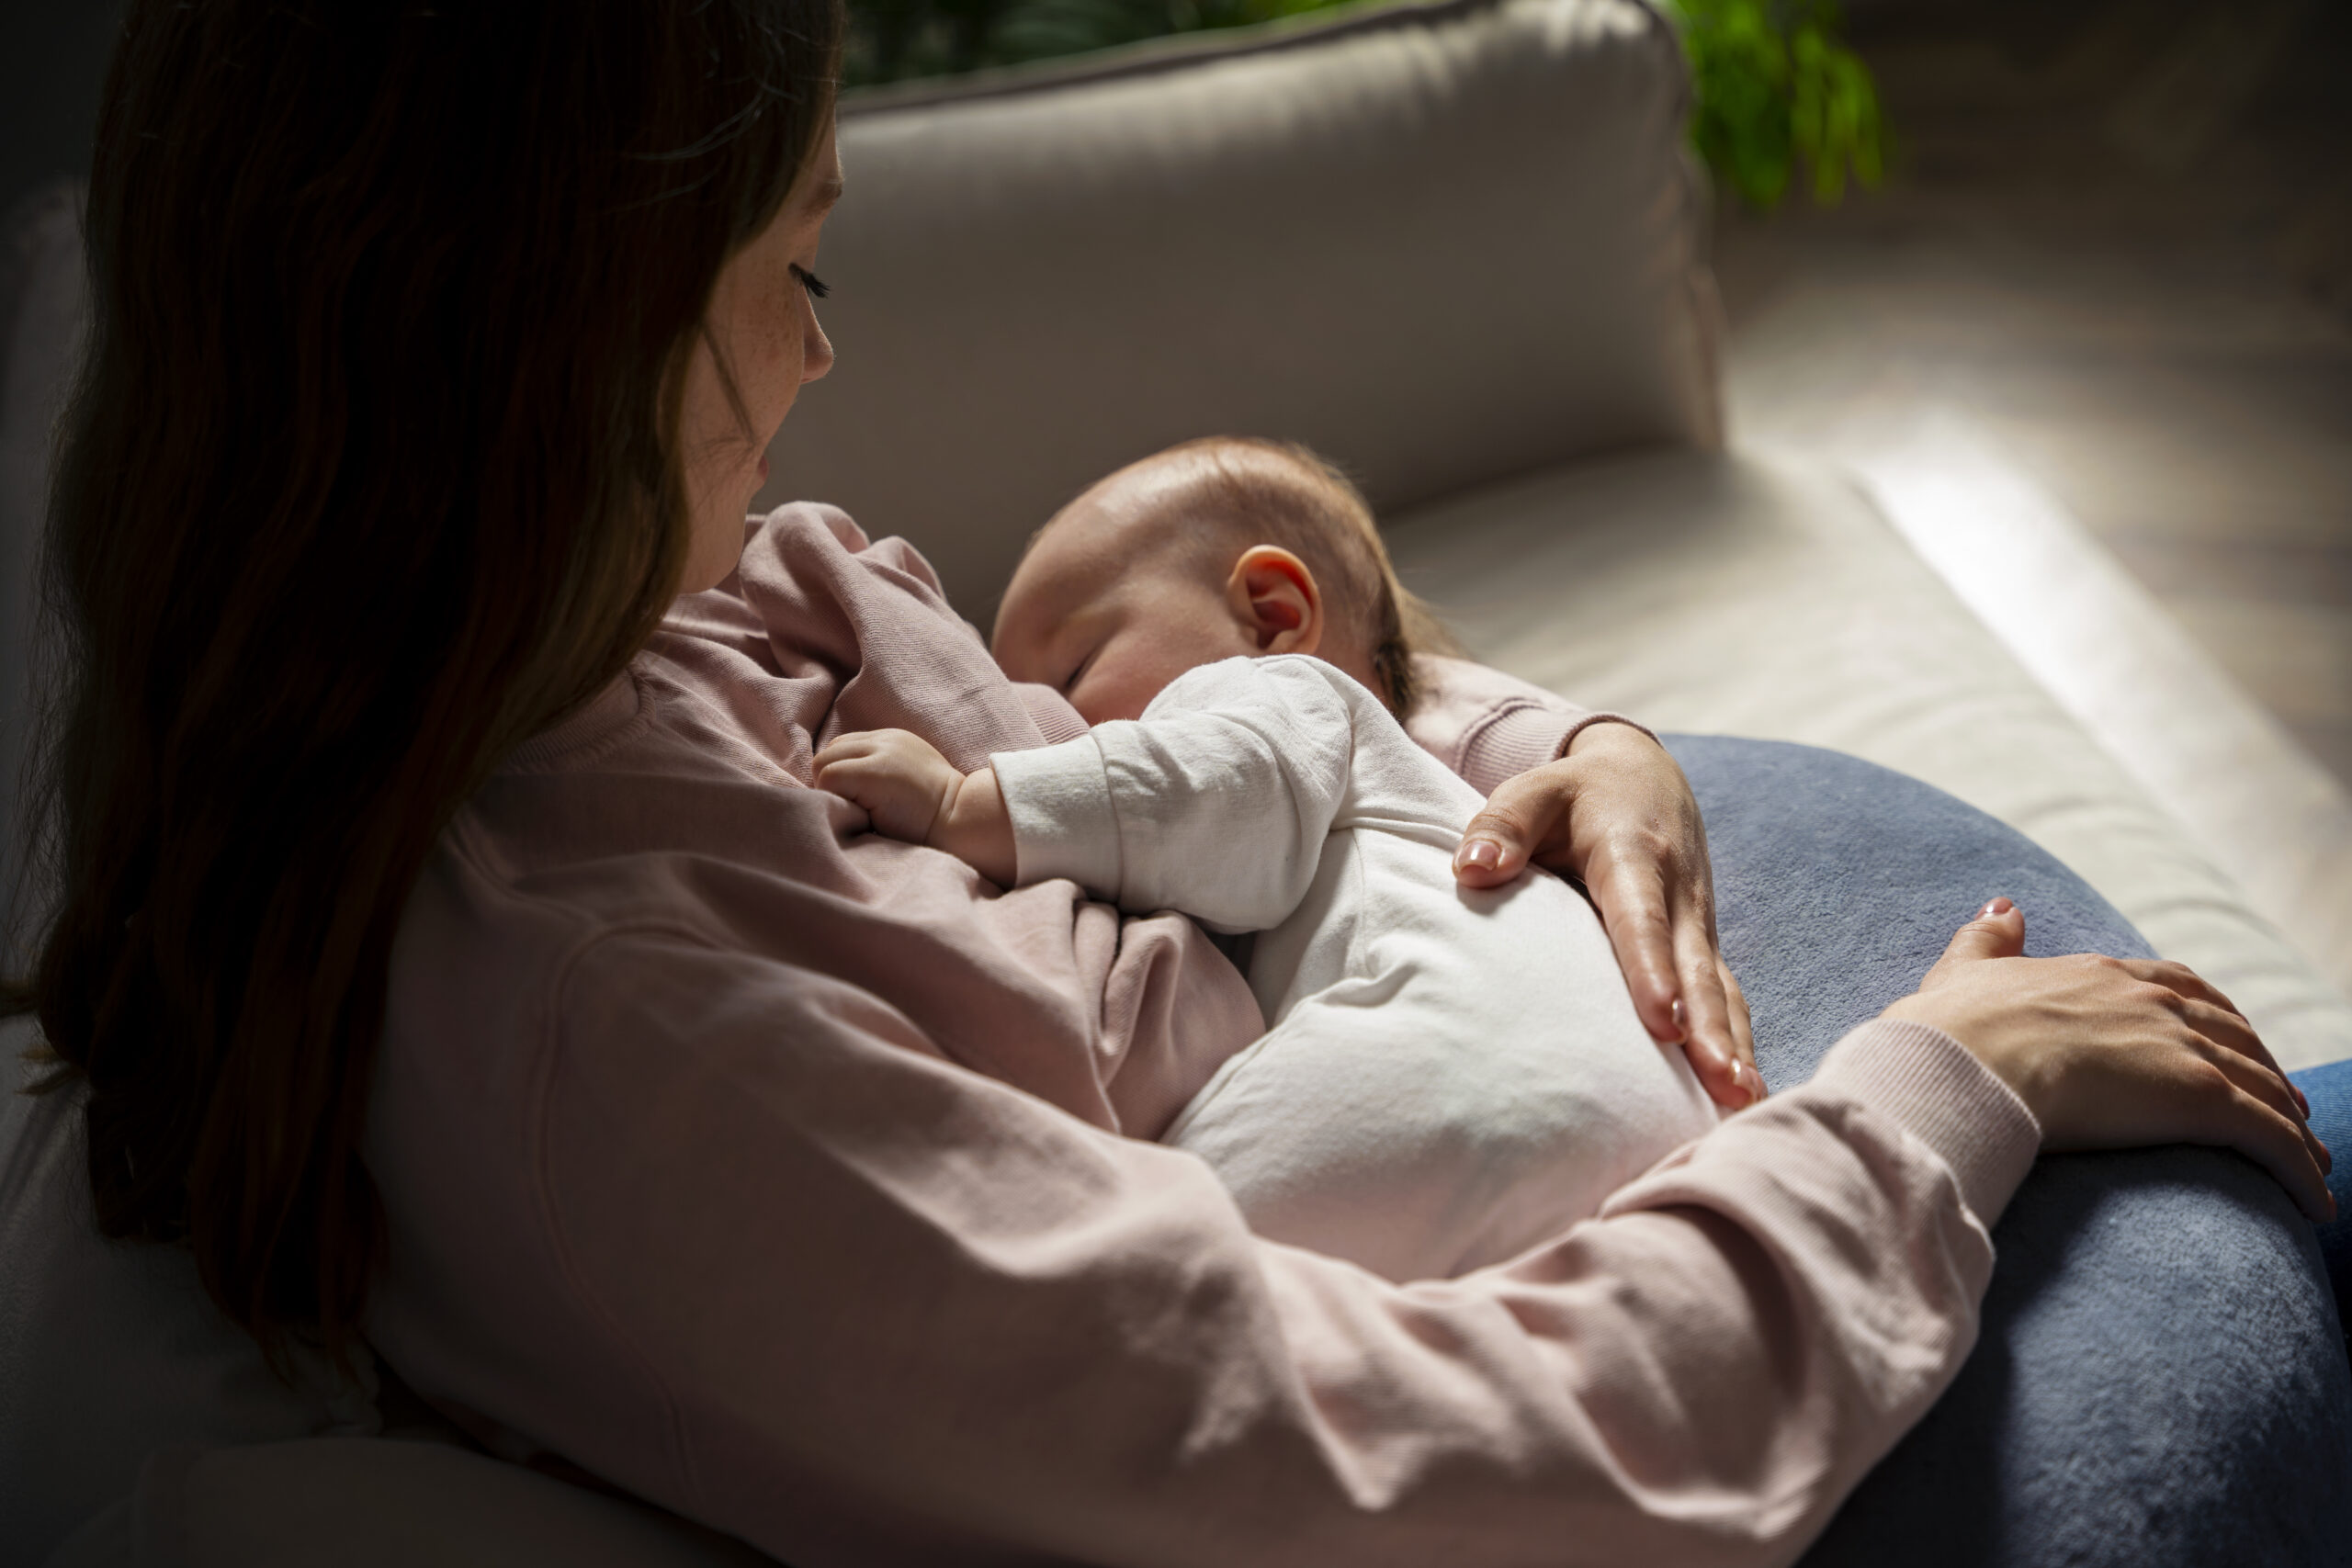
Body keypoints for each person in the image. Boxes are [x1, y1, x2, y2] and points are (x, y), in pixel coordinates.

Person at [7, 3, 2330, 1565]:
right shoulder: (609, 1049)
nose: (824, 358)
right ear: (558, 345)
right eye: (790, 268)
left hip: (1579, 1038)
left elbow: (1199, 720)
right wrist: (1940, 1086)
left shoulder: (621, 635)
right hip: (1720, 1318)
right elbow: (1382, 1455)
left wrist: (1555, 748)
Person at [812, 436, 1733, 1281]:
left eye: (1070, 675)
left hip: (1440, 1076)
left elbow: (1221, 787)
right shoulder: (1405, 782)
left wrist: (961, 803)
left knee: (1127, 1265)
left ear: (1270, 613)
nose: (1049, 726)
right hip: (1644, 1125)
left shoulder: (1275, 691)